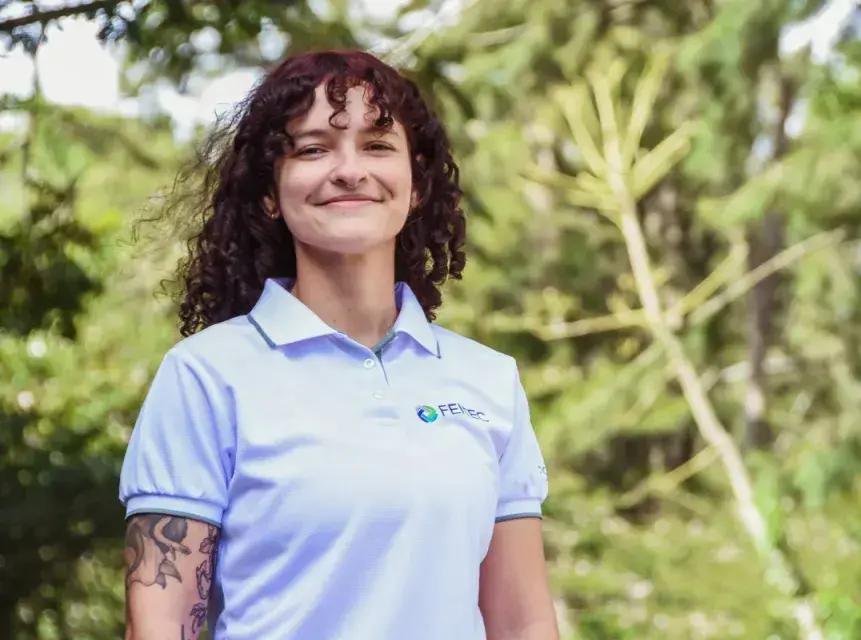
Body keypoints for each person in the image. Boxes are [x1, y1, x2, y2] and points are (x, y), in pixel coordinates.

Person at [118, 49, 558, 640]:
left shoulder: (489, 380)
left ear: (416, 184)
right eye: (313, 148)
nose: (350, 170)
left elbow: (523, 621)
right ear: (271, 193)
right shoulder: (204, 376)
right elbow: (160, 626)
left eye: (377, 146)